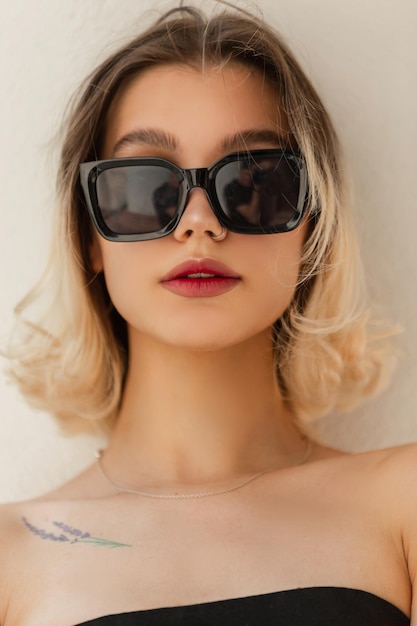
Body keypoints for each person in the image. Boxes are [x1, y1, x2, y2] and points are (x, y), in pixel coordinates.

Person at [0, 3, 415, 625]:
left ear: (312, 223)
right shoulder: (12, 554)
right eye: (146, 188)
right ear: (89, 231)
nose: (200, 221)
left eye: (253, 181)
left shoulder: (404, 502)